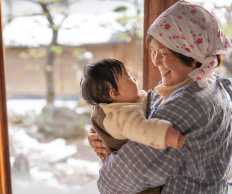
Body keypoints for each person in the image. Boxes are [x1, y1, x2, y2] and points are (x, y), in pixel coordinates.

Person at [87, 1, 232, 193]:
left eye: (162, 53)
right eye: (153, 51)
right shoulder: (211, 85)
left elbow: (112, 182)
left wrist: (109, 154)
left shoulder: (187, 106)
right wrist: (107, 137)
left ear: (193, 55)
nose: (155, 61)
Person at [81, 58, 185, 152]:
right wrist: (166, 135)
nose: (134, 79)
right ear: (115, 93)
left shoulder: (126, 101)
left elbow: (146, 100)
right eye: (129, 78)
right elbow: (141, 129)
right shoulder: (121, 116)